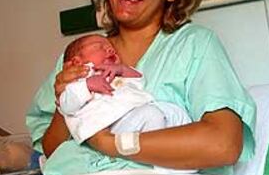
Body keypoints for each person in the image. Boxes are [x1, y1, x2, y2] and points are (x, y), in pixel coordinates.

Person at [26, 0, 256, 175]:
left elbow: (223, 144)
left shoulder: (194, 45)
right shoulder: (81, 54)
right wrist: (65, 102)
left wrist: (111, 144)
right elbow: (53, 153)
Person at [58, 33, 194, 145]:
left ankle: (183, 159)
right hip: (109, 127)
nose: (110, 50)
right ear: (77, 62)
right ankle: (158, 164)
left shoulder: (116, 73)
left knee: (175, 113)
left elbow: (138, 81)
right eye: (100, 47)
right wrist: (87, 86)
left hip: (132, 116)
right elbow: (66, 106)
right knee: (152, 115)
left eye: (111, 48)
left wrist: (122, 69)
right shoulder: (78, 79)